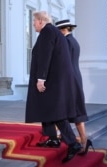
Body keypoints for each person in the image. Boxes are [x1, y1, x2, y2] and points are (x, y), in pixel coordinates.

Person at [25, 11, 82, 163]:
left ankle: (73, 143)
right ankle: (53, 138)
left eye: (34, 21)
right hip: (56, 80)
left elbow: (45, 56)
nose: (32, 24)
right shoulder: (53, 32)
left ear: (41, 21)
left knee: (56, 111)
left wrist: (41, 79)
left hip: (52, 80)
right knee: (47, 108)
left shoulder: (47, 32)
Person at [55, 19, 93, 155]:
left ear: (63, 30)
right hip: (75, 77)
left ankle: (81, 139)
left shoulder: (65, 42)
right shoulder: (74, 41)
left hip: (68, 79)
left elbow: (61, 63)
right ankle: (82, 140)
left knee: (64, 108)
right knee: (75, 109)